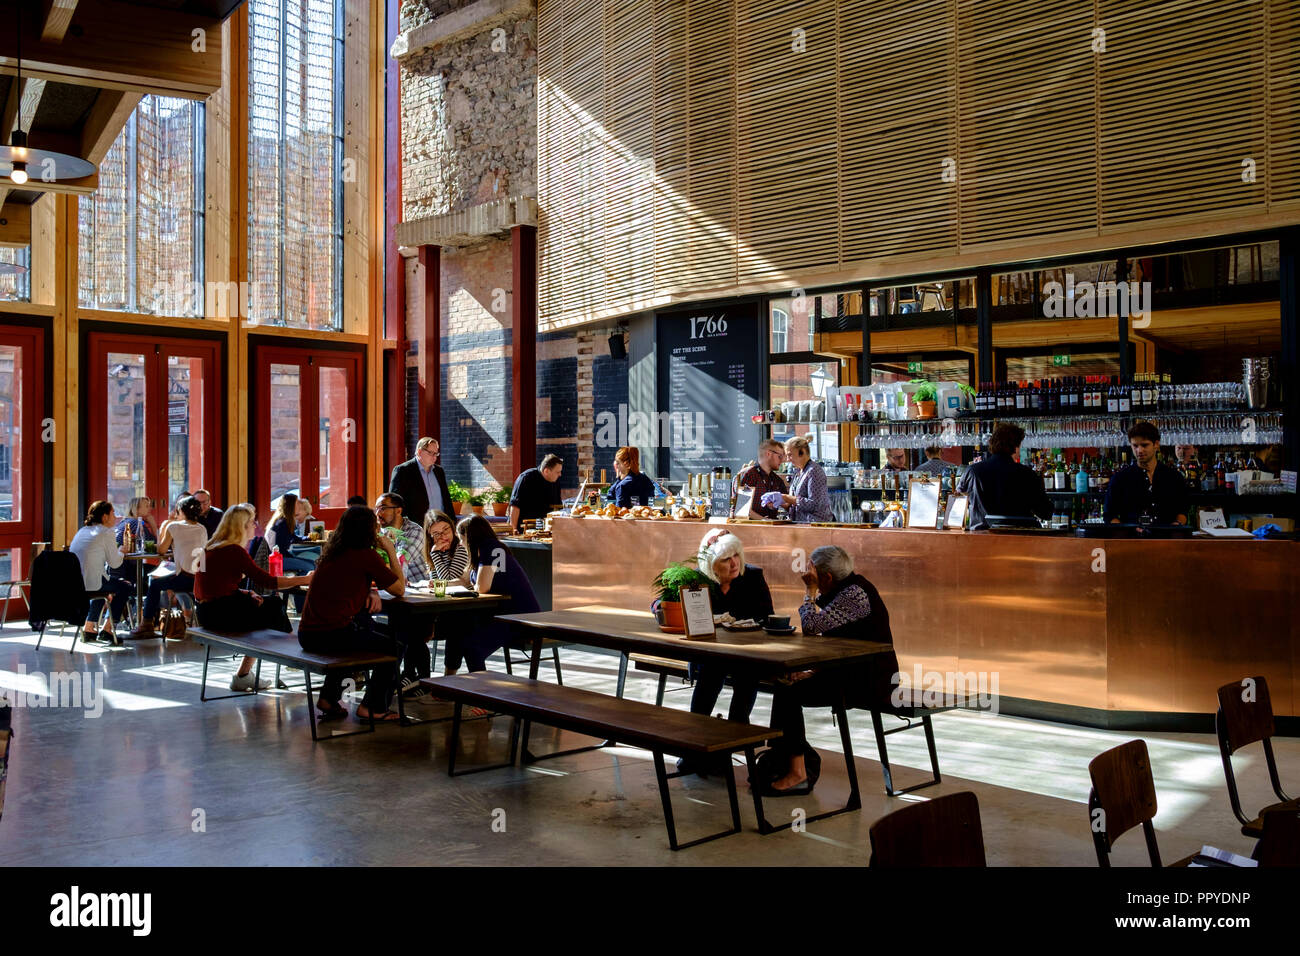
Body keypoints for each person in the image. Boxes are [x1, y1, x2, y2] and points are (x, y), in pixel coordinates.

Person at [765, 545, 895, 794]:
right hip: (853, 672)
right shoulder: (850, 588)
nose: (809, 576)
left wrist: (809, 591)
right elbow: (841, 642)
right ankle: (786, 757)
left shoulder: (855, 594)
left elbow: (812, 626)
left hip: (871, 681)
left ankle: (797, 771)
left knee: (788, 692)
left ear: (826, 578)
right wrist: (814, 672)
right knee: (785, 684)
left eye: (813, 574)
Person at [297, 506, 406, 722]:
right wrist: (391, 551)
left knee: (366, 632)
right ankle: (372, 707)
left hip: (308, 634)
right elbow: (399, 589)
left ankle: (328, 698)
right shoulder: (366, 555)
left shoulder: (333, 552)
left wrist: (370, 590)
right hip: (333, 634)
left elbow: (347, 582)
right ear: (369, 530)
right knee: (395, 646)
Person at [679, 530, 774, 776]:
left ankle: (732, 740)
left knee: (747, 677)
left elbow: (767, 614)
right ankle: (694, 746)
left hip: (747, 650)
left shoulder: (753, 576)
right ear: (711, 564)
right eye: (725, 559)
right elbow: (661, 603)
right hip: (711, 652)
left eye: (736, 556)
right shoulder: (697, 578)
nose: (733, 564)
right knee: (710, 676)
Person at [194, 507, 313, 690]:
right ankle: (296, 657)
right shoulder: (234, 550)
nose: (254, 526)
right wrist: (306, 579)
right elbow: (268, 581)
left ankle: (245, 674)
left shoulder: (209, 547)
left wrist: (244, 592)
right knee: (274, 607)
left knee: (268, 607)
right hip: (223, 614)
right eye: (251, 522)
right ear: (241, 527)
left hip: (205, 613)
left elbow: (203, 588)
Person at [452, 514, 540, 672]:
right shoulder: (482, 551)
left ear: (470, 536)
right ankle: (452, 684)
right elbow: (465, 580)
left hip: (518, 618)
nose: (460, 543)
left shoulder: (491, 548)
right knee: (459, 632)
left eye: (461, 538)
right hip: (502, 613)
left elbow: (482, 587)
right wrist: (440, 585)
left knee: (473, 647)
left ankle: (482, 691)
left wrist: (469, 585)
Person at [129, 495, 207, 639]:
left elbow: (161, 551)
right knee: (165, 580)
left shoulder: (174, 526)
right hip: (200, 579)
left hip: (184, 577)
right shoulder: (202, 528)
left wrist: (164, 526)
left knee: (154, 584)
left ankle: (147, 624)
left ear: (181, 511)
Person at [957, 423, 1051, 530]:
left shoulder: (973, 471)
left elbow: (959, 501)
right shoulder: (1027, 474)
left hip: (981, 539)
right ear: (1015, 447)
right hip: (1020, 540)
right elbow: (1046, 513)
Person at [69, 500, 133, 645]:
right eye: (113, 513)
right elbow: (115, 563)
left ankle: (89, 628)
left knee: (103, 584)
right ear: (104, 517)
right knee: (126, 587)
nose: (115, 517)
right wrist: (121, 551)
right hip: (93, 583)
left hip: (77, 584)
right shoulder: (106, 532)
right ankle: (108, 629)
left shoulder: (82, 531)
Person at [1104, 421, 1190, 526]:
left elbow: (1183, 511)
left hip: (1167, 538)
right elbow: (1109, 515)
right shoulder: (1120, 479)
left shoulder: (1174, 477)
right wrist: (1125, 531)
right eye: (1135, 445)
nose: (1139, 450)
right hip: (1132, 539)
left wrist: (1176, 525)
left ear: (1156, 444)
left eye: (1144, 445)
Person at [424, 510, 471, 680]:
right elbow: (437, 583)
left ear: (452, 528)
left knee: (455, 626)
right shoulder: (435, 550)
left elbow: (447, 580)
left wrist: (436, 555)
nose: (443, 536)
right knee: (410, 628)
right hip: (441, 608)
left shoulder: (461, 548)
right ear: (430, 536)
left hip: (462, 608)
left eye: (446, 530)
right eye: (436, 534)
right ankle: (417, 677)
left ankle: (448, 678)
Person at [389, 436, 454, 526]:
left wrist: (452, 522)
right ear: (419, 452)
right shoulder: (403, 470)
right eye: (430, 453)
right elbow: (395, 502)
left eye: (436, 453)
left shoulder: (439, 471)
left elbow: (446, 500)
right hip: (415, 527)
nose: (434, 457)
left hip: (441, 525)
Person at [779, 436, 833, 523]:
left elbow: (814, 505)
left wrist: (786, 497)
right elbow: (795, 506)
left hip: (816, 526)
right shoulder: (798, 472)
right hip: (801, 525)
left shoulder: (814, 471)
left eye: (790, 455)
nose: (788, 459)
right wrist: (779, 502)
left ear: (802, 452)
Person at [508, 454, 564, 532]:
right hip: (523, 529)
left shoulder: (555, 482)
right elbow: (515, 505)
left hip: (544, 530)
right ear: (546, 471)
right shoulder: (526, 478)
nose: (560, 475)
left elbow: (557, 507)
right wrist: (513, 529)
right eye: (557, 472)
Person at [734, 439, 788, 518]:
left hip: (771, 527)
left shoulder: (777, 480)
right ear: (768, 454)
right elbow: (743, 508)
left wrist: (780, 501)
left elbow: (787, 505)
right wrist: (764, 521)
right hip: (750, 527)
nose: (782, 460)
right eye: (780, 456)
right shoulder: (750, 474)